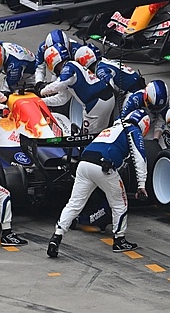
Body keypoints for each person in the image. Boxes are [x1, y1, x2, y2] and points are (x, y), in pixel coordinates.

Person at [47, 109, 150, 258]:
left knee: (74, 204)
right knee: (120, 204)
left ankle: (56, 236)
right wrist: (141, 185)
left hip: (84, 164)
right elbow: (140, 158)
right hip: (103, 166)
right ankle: (119, 239)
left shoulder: (111, 128)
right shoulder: (133, 131)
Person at [40, 43, 115, 134]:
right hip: (106, 98)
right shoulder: (72, 68)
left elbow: (58, 84)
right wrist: (41, 101)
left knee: (89, 137)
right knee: (101, 132)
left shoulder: (69, 67)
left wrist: (42, 91)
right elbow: (63, 99)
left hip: (95, 103)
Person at [74, 44, 146, 95]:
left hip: (133, 92)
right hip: (138, 84)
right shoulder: (104, 61)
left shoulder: (100, 70)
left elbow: (108, 88)